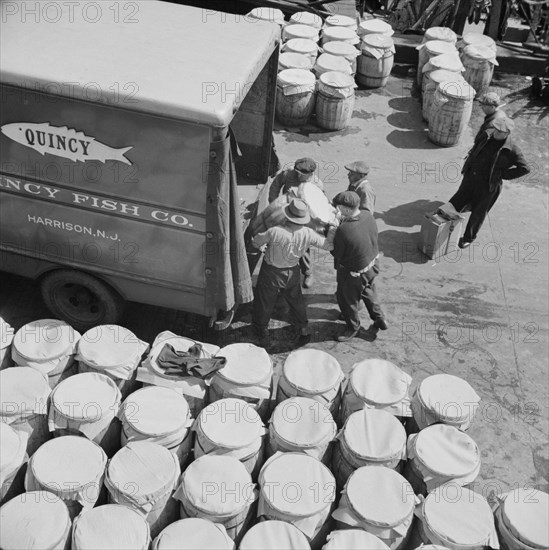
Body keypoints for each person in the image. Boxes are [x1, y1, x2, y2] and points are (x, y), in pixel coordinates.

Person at [251, 198, 334, 346]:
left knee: (265, 301)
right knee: (296, 300)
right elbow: (328, 246)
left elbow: (256, 241)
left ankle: (261, 329)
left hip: (271, 272)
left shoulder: (274, 231)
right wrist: (332, 230)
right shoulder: (309, 233)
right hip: (292, 272)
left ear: (286, 215)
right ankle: (302, 327)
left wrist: (261, 247)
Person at [449, 117, 530, 248]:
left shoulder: (512, 149)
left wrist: (503, 174)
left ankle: (468, 237)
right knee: (456, 202)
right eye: (496, 129)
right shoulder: (486, 135)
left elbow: (525, 168)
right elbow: (476, 148)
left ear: (507, 133)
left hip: (488, 187)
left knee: (478, 213)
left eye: (501, 131)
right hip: (471, 179)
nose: (496, 133)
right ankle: (445, 227)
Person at [331, 191, 387, 342]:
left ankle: (352, 327)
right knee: (368, 290)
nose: (337, 210)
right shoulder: (368, 215)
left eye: (339, 207)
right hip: (371, 265)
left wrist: (333, 230)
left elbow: (336, 253)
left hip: (353, 273)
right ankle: (379, 317)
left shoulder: (343, 230)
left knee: (346, 299)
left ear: (347, 210)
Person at [268, 157, 324, 289]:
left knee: (302, 245)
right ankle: (276, 270)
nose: (298, 175)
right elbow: (275, 185)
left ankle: (308, 272)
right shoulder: (288, 173)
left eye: (302, 175)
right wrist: (273, 203)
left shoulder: (317, 185)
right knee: (278, 240)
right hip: (285, 213)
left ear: (311, 174)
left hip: (304, 218)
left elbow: (320, 206)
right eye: (297, 172)